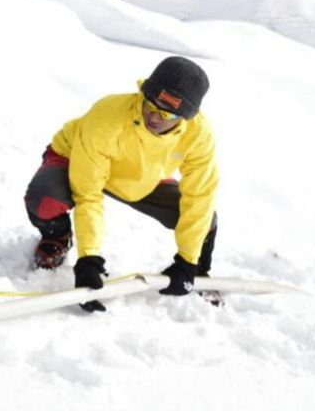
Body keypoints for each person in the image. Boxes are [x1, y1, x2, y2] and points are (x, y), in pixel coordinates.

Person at [22, 56, 218, 310]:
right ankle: (57, 236)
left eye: (167, 113)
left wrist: (187, 260)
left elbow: (199, 195)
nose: (154, 116)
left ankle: (196, 273)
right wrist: (88, 259)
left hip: (140, 176)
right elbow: (88, 195)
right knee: (45, 201)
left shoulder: (199, 136)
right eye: (150, 104)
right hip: (76, 159)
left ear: (185, 117)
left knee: (206, 220)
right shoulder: (107, 117)